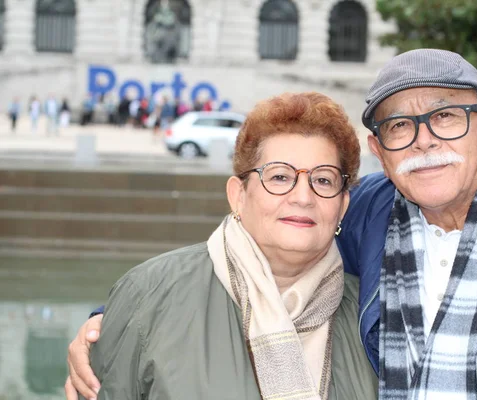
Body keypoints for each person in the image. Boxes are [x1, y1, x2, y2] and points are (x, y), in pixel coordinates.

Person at [67, 50, 477, 400]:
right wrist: (106, 327)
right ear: (379, 151)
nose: (424, 140)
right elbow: (258, 245)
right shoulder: (371, 209)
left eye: (445, 116)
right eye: (399, 126)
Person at [65, 92, 378, 400]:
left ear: (342, 205)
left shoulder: (372, 320)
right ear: (238, 195)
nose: (302, 197)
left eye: (323, 180)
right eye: (280, 177)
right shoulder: (148, 296)